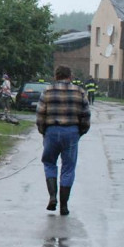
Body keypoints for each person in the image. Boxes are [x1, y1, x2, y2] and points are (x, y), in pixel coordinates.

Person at [35, 65, 91, 215]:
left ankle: (53, 196)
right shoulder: (79, 92)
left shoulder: (47, 91)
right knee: (68, 168)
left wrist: (43, 131)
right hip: (71, 131)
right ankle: (64, 206)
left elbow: (40, 114)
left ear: (55, 76)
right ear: (70, 76)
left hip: (51, 131)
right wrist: (80, 132)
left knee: (49, 163)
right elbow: (86, 115)